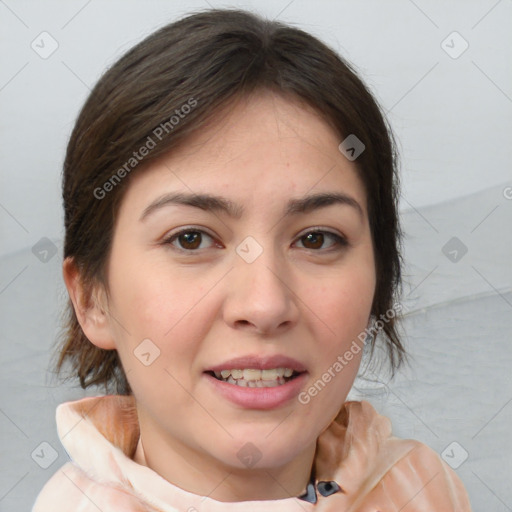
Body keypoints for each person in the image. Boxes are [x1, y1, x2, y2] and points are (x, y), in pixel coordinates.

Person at [32, 8, 472, 511]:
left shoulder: (422, 487)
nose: (264, 305)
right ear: (92, 297)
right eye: (192, 239)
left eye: (316, 239)